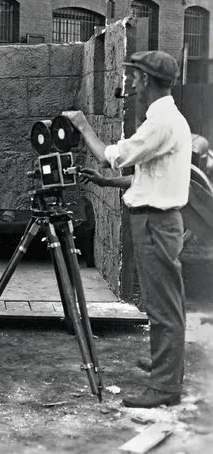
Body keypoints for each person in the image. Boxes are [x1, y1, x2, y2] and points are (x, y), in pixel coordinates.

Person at [62, 50, 192, 408]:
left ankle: (166, 387)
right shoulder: (166, 118)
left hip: (156, 221)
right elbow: (147, 176)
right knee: (160, 300)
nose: (132, 83)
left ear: (147, 80)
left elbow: (110, 154)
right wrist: (105, 184)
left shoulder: (160, 122)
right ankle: (165, 362)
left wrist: (83, 125)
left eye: (135, 77)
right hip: (155, 218)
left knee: (165, 305)